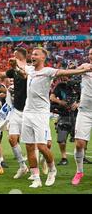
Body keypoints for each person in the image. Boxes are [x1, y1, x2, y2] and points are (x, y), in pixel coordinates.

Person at [21, 48, 92, 188]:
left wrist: (80, 71)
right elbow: (22, 64)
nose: (32, 56)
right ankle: (37, 177)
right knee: (30, 146)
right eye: (32, 53)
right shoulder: (30, 70)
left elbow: (64, 73)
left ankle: (52, 169)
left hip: (40, 113)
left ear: (43, 58)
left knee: (41, 146)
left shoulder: (48, 71)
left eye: (36, 54)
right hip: (28, 112)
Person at [0, 47, 29, 178]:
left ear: (20, 56)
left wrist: (17, 68)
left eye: (14, 55)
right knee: (12, 139)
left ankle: (38, 168)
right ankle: (22, 166)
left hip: (31, 110)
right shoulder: (13, 71)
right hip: (16, 109)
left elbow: (25, 75)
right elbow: (0, 75)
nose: (12, 57)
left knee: (34, 142)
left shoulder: (30, 69)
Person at [72, 48, 92, 185]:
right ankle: (79, 172)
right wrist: (77, 68)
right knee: (79, 144)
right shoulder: (85, 67)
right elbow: (73, 72)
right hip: (85, 111)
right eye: (90, 54)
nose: (91, 56)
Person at [50, 75, 80, 166]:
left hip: (77, 115)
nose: (67, 78)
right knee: (61, 139)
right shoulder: (60, 86)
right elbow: (52, 97)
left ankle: (80, 156)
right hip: (63, 115)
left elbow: (86, 98)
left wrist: (78, 103)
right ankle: (64, 157)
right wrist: (61, 102)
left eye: (68, 77)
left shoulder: (80, 87)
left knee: (79, 138)